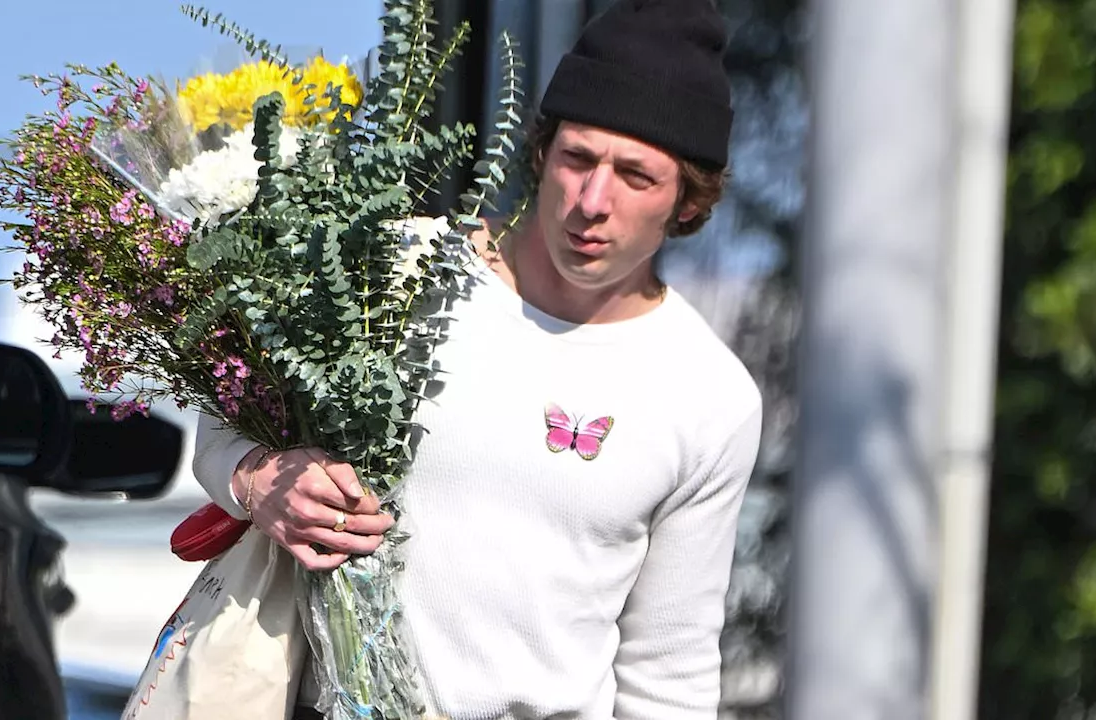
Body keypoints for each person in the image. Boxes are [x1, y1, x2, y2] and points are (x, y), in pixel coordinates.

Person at [192, 0, 763, 717]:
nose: (592, 200)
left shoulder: (709, 396)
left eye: (635, 177)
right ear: (541, 150)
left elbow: (669, 674)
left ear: (688, 201)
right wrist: (259, 478)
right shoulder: (392, 268)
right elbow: (218, 431)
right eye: (577, 158)